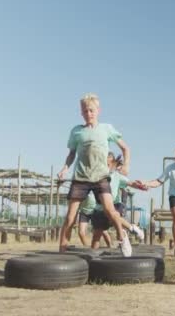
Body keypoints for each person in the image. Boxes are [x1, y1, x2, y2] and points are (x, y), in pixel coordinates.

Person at [57, 93, 133, 256]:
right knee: (70, 217)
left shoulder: (106, 129)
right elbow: (71, 154)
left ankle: (122, 236)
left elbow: (125, 148)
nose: (88, 114)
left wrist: (125, 165)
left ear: (98, 110)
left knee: (110, 211)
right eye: (85, 111)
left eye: (91, 110)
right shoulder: (77, 132)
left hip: (100, 177)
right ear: (81, 113)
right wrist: (65, 168)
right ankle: (62, 251)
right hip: (80, 178)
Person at [91, 153, 146, 248]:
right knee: (97, 235)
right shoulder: (97, 175)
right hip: (100, 207)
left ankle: (125, 235)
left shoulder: (117, 176)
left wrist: (140, 186)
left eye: (109, 165)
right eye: (105, 164)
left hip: (115, 204)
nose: (107, 167)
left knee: (114, 217)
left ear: (113, 164)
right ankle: (92, 255)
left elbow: (130, 183)